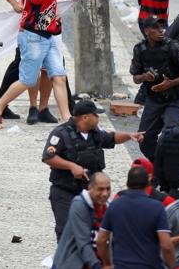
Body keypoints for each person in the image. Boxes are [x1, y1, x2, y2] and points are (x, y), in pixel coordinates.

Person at [0, 0, 77, 128]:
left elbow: (46, 6)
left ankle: (67, 119)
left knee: (59, 76)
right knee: (27, 80)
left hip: (49, 37)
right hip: (33, 38)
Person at [41, 100, 144, 240]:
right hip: (65, 191)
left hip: (90, 193)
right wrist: (71, 166)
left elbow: (111, 137)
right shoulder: (61, 133)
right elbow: (48, 156)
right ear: (85, 117)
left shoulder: (94, 133)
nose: (98, 118)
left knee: (92, 231)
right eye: (95, 115)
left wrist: (129, 136)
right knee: (66, 231)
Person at [130, 17, 179, 162]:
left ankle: (173, 166)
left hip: (175, 100)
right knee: (144, 139)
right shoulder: (140, 49)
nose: (161, 30)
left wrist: (171, 83)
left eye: (162, 27)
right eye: (155, 28)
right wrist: (145, 77)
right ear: (146, 31)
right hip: (153, 100)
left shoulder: (174, 47)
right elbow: (135, 77)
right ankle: (160, 165)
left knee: (172, 135)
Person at [96, 167, 175, 269]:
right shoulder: (157, 207)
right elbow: (166, 246)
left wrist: (107, 263)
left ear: (127, 183)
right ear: (148, 184)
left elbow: (101, 240)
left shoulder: (115, 205)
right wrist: (173, 267)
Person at [51, 172, 111, 269]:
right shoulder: (79, 205)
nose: (105, 194)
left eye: (108, 189)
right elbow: (83, 242)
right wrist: (97, 267)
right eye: (100, 189)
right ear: (90, 187)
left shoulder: (108, 207)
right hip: (71, 265)